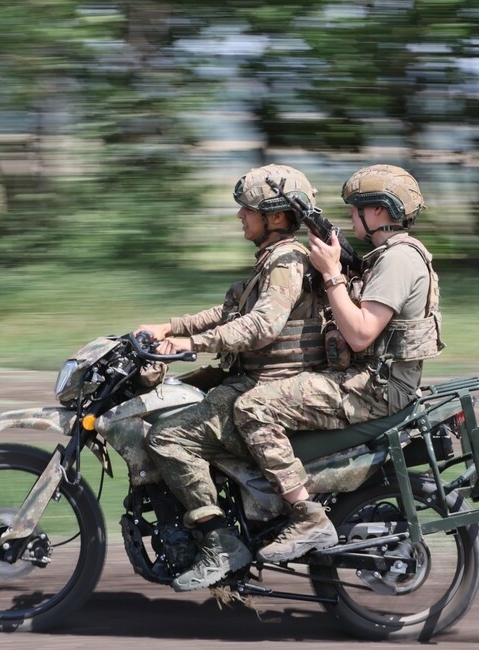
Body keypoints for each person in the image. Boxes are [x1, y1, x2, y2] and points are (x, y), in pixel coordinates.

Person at [233, 164, 444, 563]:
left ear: (379, 211)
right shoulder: (387, 256)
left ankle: (306, 517)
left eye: (357, 209)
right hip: (369, 379)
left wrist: (332, 275)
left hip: (375, 390)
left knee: (253, 407)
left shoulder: (399, 261)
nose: (351, 216)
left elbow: (361, 334)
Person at [134, 164, 329, 592]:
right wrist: (171, 327)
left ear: (276, 217)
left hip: (267, 390)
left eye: (248, 210)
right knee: (178, 395)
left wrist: (191, 345)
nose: (241, 216)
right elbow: (229, 313)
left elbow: (262, 326)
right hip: (253, 381)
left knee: (168, 437)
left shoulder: (286, 261)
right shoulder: (273, 261)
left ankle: (221, 543)